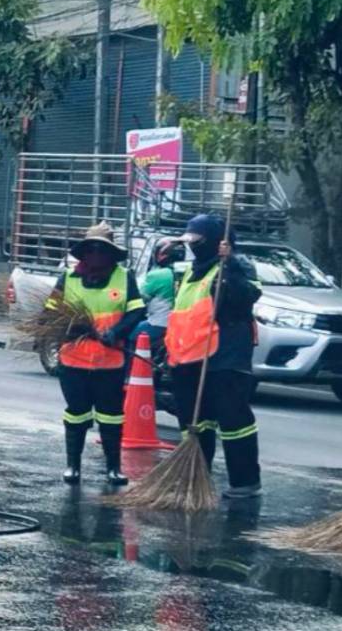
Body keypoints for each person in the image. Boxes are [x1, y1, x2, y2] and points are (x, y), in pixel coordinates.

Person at [165, 212, 263, 499]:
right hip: (188, 358)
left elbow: (245, 299)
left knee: (233, 419)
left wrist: (228, 265)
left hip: (224, 357)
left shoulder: (237, 267)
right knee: (195, 422)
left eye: (197, 240)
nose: (192, 246)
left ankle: (244, 481)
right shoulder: (189, 273)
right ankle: (197, 475)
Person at [47, 222, 144, 485]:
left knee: (111, 415)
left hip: (110, 362)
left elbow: (137, 310)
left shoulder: (124, 277)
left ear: (111, 253)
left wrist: (117, 331)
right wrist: (72, 327)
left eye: (102, 250)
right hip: (73, 361)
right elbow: (50, 313)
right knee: (76, 413)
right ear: (84, 253)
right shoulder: (68, 278)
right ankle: (73, 466)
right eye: (91, 249)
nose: (96, 254)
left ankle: (113, 468)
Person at [138, 236, 180, 362]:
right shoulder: (190, 272)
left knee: (127, 335)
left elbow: (140, 300)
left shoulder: (157, 275)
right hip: (181, 325)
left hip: (159, 323)